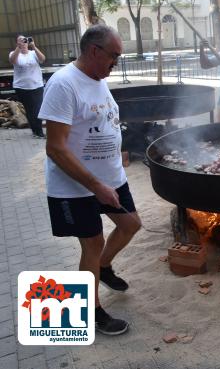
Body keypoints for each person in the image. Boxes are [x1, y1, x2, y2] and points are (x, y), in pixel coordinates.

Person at [38, 24, 141, 336]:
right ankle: (92, 311)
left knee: (131, 225)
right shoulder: (63, 84)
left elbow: (101, 120)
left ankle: (104, 267)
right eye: (114, 56)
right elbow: (55, 147)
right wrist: (96, 185)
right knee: (93, 243)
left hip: (111, 178)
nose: (116, 63)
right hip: (75, 185)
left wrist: (117, 153)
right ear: (95, 51)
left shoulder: (98, 77)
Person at [9, 35, 46, 138]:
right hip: (22, 87)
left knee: (38, 109)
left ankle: (39, 132)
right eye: (21, 41)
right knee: (30, 110)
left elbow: (43, 59)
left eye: (25, 41)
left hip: (37, 85)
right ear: (17, 43)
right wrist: (18, 47)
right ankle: (36, 131)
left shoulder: (33, 53)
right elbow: (12, 60)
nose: (24, 43)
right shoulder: (14, 53)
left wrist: (34, 46)